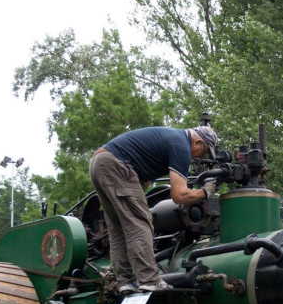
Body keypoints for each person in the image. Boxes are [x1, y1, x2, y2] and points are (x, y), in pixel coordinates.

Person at [89, 125, 218, 293]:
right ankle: (149, 279)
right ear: (197, 142)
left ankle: (126, 282)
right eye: (205, 151)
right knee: (140, 223)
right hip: (116, 164)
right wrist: (205, 193)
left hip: (100, 163)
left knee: (119, 227)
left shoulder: (172, 138)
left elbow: (144, 180)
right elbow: (178, 195)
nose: (201, 157)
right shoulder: (181, 146)